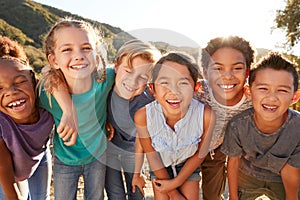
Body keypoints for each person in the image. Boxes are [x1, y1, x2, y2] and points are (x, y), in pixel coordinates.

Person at [38, 17, 115, 199]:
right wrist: (68, 108)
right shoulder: (46, 94)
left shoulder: (105, 79)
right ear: (54, 60)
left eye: (86, 48)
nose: (79, 55)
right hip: (65, 158)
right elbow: (45, 72)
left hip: (97, 155)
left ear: (97, 56)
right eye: (67, 49)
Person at [135, 52, 215, 200]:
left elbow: (200, 153)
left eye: (183, 83)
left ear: (196, 87)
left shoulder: (206, 115)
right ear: (152, 89)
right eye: (164, 83)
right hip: (160, 166)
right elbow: (152, 155)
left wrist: (176, 183)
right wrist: (173, 193)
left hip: (188, 164)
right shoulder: (143, 116)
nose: (174, 91)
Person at [221, 52, 300, 200]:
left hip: (280, 179)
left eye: (282, 90)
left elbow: (292, 170)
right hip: (247, 174)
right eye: (263, 89)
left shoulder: (297, 128)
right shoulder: (238, 125)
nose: (271, 98)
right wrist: (232, 197)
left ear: (294, 97)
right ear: (249, 91)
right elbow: (232, 162)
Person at [194, 35, 256, 200]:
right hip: (186, 150)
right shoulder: (196, 91)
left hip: (216, 152)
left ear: (248, 72)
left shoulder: (253, 99)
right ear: (206, 72)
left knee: (212, 196)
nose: (227, 76)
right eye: (218, 68)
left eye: (237, 68)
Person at [105, 39, 161, 200]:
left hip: (133, 150)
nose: (133, 81)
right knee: (115, 194)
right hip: (109, 150)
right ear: (116, 66)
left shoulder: (149, 100)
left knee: (137, 192)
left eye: (143, 77)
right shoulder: (106, 89)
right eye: (128, 71)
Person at [0, 36, 54, 199]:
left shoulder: (47, 105)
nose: (10, 92)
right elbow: (3, 167)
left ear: (34, 82)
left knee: (41, 197)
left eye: (19, 82)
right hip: (7, 170)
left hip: (39, 157)